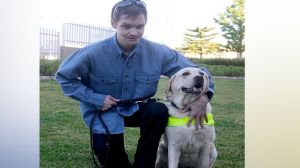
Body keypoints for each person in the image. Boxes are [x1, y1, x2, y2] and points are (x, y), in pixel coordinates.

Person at [55, 0, 214, 167]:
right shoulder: (92, 53)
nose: (134, 32)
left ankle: (144, 163)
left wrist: (204, 96)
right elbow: (64, 77)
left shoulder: (158, 52)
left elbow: (200, 71)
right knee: (113, 161)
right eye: (126, 26)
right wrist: (96, 99)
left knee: (158, 111)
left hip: (137, 108)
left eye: (140, 26)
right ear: (114, 23)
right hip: (104, 110)